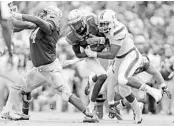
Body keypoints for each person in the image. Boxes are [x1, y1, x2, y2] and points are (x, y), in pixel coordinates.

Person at [6, 5, 93, 121]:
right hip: (39, 69)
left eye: (45, 12)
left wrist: (18, 15)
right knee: (25, 89)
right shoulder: (39, 27)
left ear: (52, 15)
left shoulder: (50, 27)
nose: (42, 14)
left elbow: (37, 20)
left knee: (65, 93)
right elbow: (18, 27)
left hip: (51, 68)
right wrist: (7, 22)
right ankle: (25, 113)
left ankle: (88, 113)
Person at [84, 9, 164, 123]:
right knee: (123, 90)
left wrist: (94, 53)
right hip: (119, 59)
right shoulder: (104, 29)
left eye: (106, 23)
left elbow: (111, 54)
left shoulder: (119, 30)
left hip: (130, 55)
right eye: (101, 23)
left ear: (113, 21)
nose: (102, 26)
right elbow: (105, 44)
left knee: (122, 79)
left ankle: (153, 91)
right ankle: (138, 111)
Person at [65, 9, 108, 123]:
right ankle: (90, 107)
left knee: (109, 80)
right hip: (88, 51)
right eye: (73, 24)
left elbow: (105, 39)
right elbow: (78, 53)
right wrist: (88, 53)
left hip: (102, 48)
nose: (76, 26)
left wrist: (97, 45)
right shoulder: (71, 35)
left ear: (83, 20)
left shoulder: (92, 20)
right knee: (103, 76)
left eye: (77, 23)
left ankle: (92, 78)